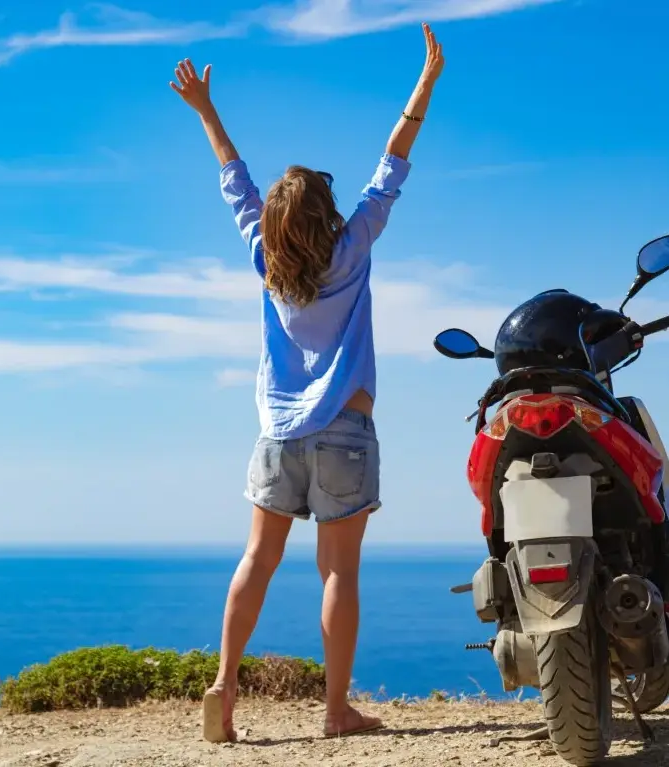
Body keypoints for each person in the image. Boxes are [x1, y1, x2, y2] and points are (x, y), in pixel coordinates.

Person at [169, 23, 445, 741]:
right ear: (326, 216)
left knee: (256, 560)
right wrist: (425, 82)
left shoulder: (264, 255)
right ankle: (335, 710)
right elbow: (393, 162)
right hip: (345, 430)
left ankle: (225, 689)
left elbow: (235, 179)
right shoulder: (352, 247)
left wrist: (206, 109)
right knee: (337, 572)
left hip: (278, 433)